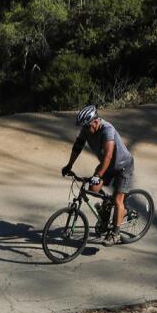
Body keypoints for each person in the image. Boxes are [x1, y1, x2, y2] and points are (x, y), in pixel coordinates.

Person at [62, 104, 136, 243]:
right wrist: (69, 165)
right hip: (107, 166)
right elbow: (78, 146)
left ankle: (115, 233)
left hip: (123, 166)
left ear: (95, 122)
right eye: (83, 127)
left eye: (87, 126)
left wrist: (98, 175)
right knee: (93, 188)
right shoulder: (87, 129)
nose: (85, 130)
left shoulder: (107, 130)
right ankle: (108, 204)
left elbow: (108, 155)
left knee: (117, 200)